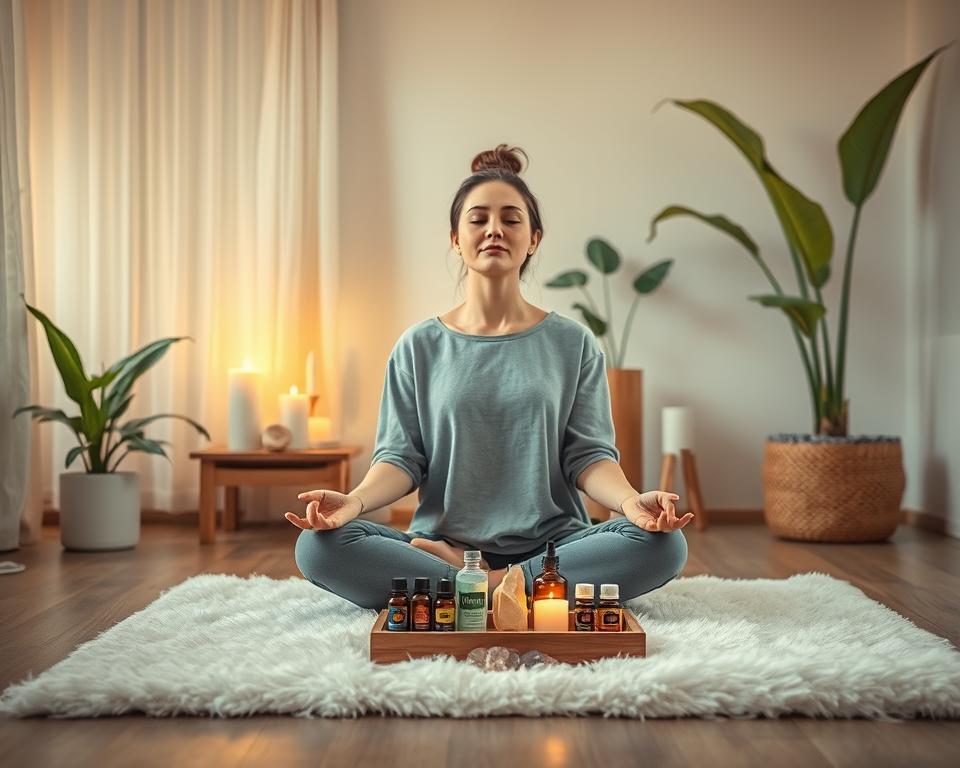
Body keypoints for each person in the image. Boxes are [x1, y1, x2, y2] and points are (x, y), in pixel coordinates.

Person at [287, 144, 692, 609]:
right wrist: (353, 503)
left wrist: (629, 503)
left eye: (511, 219)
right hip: (444, 541)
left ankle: (475, 584)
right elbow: (400, 458)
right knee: (318, 547)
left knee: (663, 545)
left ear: (534, 238)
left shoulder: (573, 343)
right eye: (478, 219)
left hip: (554, 549)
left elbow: (588, 457)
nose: (494, 229)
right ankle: (515, 590)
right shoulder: (418, 346)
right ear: (456, 239)